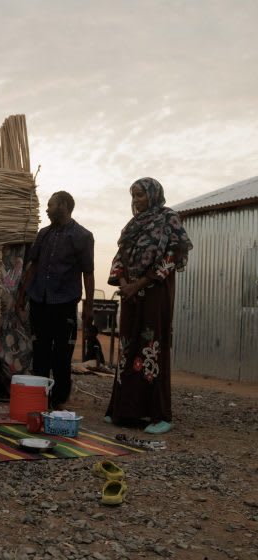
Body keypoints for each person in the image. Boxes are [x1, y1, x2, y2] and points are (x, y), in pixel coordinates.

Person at [105, 178, 192, 435]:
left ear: (153, 194)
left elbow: (172, 257)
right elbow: (119, 258)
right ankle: (123, 411)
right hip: (131, 296)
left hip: (155, 293)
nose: (136, 200)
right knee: (128, 349)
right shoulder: (132, 225)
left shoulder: (168, 219)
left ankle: (159, 415)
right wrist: (124, 283)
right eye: (133, 195)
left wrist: (139, 284)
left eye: (140, 195)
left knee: (151, 347)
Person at [18, 191, 95, 409]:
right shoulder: (43, 234)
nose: (47, 209)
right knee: (40, 351)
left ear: (63, 205)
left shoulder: (82, 236)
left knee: (62, 355)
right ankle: (40, 399)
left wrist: (88, 306)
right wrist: (22, 295)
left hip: (64, 303)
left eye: (50, 205)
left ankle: (59, 400)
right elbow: (32, 266)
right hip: (39, 302)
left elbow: (88, 272)